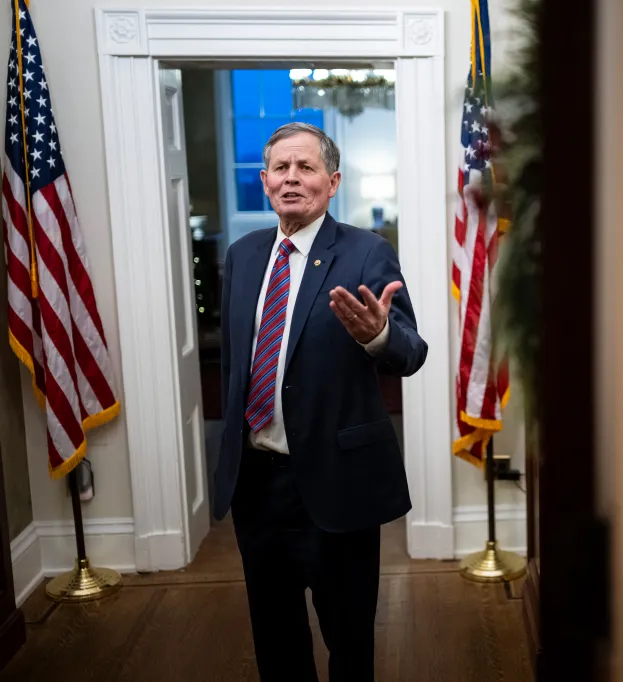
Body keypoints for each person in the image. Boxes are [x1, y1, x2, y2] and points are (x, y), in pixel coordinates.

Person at [213, 122, 427, 681]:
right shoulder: (242, 255)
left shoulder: (366, 252)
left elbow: (411, 351)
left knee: (349, 641)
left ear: (331, 182)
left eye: (305, 167)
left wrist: (377, 335)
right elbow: (239, 363)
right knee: (276, 640)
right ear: (264, 182)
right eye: (280, 168)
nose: (291, 179)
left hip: (337, 485)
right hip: (257, 488)